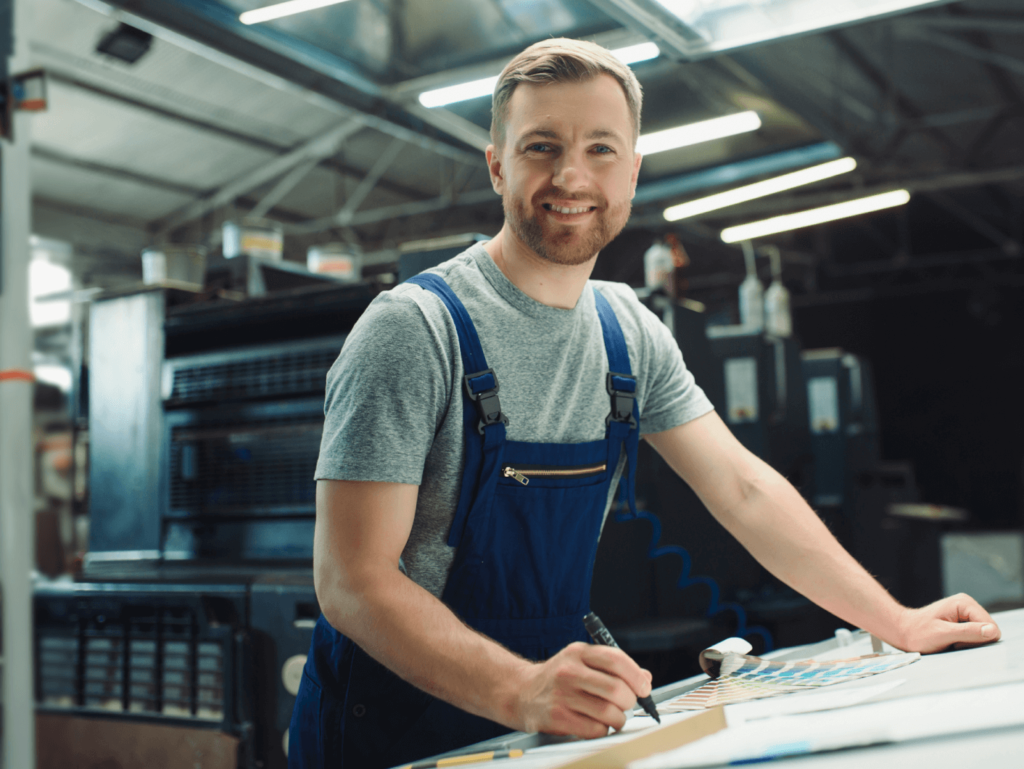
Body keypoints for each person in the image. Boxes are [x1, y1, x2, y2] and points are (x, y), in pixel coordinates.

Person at [289, 37, 1001, 769]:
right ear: (497, 163)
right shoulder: (414, 329)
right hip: (392, 732)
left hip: (537, 727)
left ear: (632, 172)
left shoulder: (628, 331)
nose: (571, 174)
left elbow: (744, 488)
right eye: (541, 146)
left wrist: (898, 621)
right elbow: (351, 579)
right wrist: (521, 689)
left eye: (601, 149)